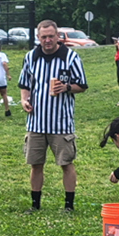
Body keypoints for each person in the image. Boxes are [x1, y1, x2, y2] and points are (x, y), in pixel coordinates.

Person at [18, 20, 88, 213]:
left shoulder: (71, 57)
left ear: (58, 36)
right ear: (38, 38)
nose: (47, 40)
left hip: (61, 123)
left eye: (51, 36)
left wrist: (66, 87)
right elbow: (24, 84)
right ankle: (35, 204)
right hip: (36, 123)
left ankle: (68, 205)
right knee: (35, 164)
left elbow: (81, 85)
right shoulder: (30, 57)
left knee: (66, 163)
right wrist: (24, 101)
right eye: (44, 37)